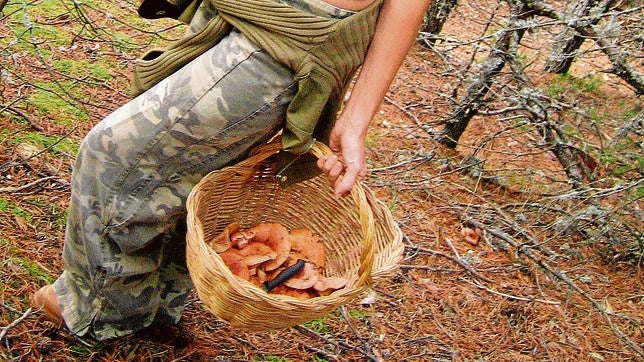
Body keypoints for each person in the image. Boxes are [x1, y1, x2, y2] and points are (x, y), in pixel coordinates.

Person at [30, 0, 431, 340]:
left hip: (292, 35)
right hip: (250, 15)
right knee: (191, 175)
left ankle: (105, 314)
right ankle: (155, 308)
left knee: (113, 155)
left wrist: (357, 119)